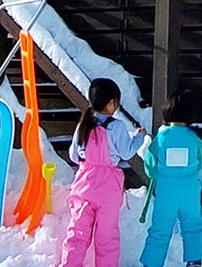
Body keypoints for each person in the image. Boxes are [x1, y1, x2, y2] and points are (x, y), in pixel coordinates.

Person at [58, 78, 145, 267]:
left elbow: (73, 155)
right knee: (107, 237)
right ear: (112, 103)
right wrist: (139, 137)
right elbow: (126, 152)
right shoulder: (117, 126)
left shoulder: (83, 124)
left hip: (84, 186)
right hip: (108, 189)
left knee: (77, 234)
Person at [139, 93, 202, 267]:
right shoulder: (194, 139)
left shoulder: (161, 138)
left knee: (159, 230)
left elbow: (150, 164)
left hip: (165, 194)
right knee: (192, 228)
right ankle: (194, 262)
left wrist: (156, 174)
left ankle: (151, 263)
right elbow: (200, 162)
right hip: (190, 193)